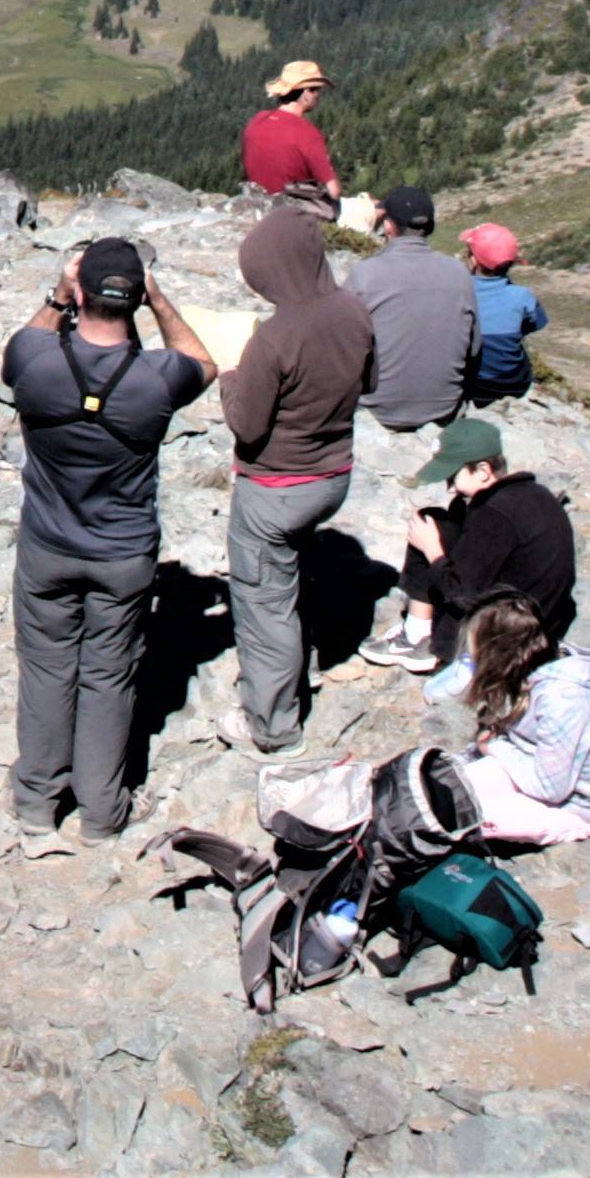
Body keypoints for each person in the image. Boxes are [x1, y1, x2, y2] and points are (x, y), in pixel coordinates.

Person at [5, 234, 214, 841]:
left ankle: (37, 802)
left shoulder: (35, 363)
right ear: (135, 297)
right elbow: (203, 361)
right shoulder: (157, 379)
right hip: (122, 551)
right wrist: (159, 303)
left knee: (46, 669)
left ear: (82, 291)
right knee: (108, 675)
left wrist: (57, 293)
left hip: (48, 544)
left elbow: (26, 342)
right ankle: (101, 814)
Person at [220, 199, 373, 759]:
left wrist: (231, 376)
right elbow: (369, 382)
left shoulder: (274, 336)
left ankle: (273, 726)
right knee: (290, 578)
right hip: (333, 475)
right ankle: (295, 671)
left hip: (275, 489)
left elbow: (247, 426)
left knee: (263, 608)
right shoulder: (354, 310)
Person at [370, 416, 576, 676]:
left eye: (452, 477)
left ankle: (418, 640)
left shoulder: (495, 515)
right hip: (542, 621)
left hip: (504, 637)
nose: (450, 488)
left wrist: (432, 549)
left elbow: (462, 593)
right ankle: (419, 629)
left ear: (482, 471)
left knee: (428, 530)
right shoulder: (533, 495)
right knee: (442, 521)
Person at [446, 597, 590, 847]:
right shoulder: (535, 671)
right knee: (442, 792)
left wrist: (493, 747)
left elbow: (550, 788)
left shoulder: (564, 700)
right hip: (527, 769)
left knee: (451, 819)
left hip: (571, 808)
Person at [350, 187, 478, 452]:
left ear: (388, 226)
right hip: (444, 408)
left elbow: (339, 347)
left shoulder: (365, 274)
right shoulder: (459, 274)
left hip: (377, 409)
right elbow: (474, 350)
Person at [464, 223, 550, 405]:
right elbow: (535, 324)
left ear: (473, 260)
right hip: (513, 385)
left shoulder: (460, 293)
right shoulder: (522, 296)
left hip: (472, 384)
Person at [240, 62, 340, 200]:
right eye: (316, 89)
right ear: (306, 94)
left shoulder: (257, 120)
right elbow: (333, 191)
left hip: (256, 203)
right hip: (293, 209)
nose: (318, 95)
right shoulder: (308, 134)